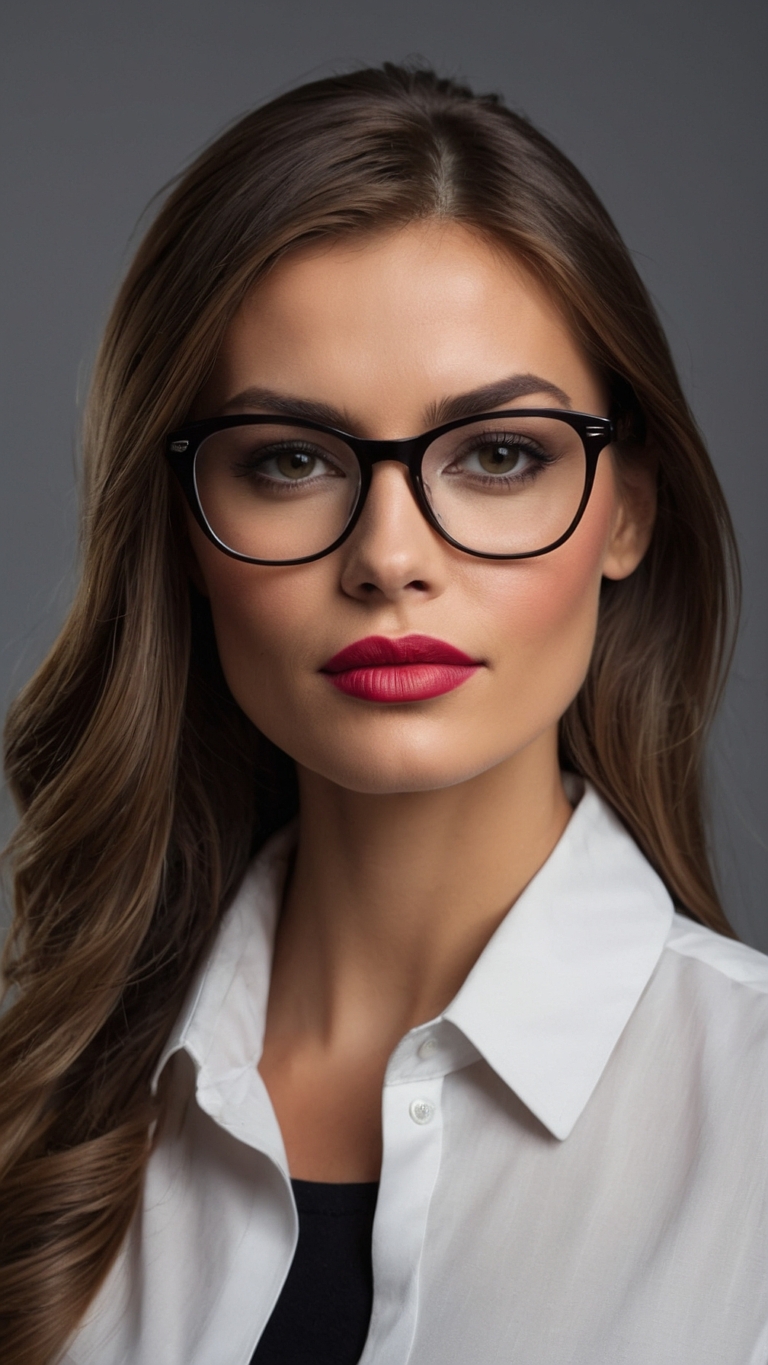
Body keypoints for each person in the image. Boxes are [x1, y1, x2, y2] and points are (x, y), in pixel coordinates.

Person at [1, 63, 766, 1365]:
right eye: (292, 461)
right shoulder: (33, 1130)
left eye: (502, 453)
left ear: (629, 506)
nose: (391, 556)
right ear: (181, 529)